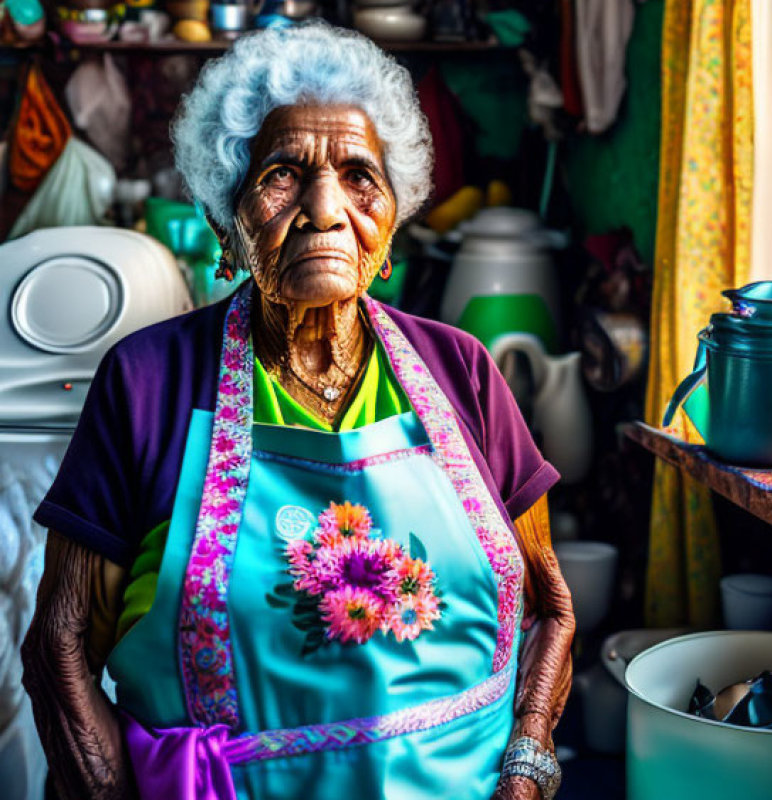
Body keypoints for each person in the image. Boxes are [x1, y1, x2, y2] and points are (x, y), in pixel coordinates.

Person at [22, 23, 574, 800]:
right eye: (283, 173)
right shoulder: (147, 384)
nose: (324, 208)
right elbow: (62, 647)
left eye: (358, 176)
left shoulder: (465, 373)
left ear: (389, 227)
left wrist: (526, 766)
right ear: (226, 220)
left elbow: (550, 608)